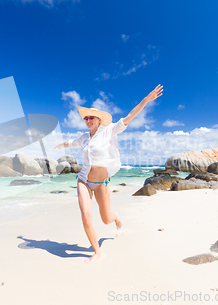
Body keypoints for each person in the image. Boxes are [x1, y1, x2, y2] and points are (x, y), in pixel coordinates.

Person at [55, 84, 163, 263]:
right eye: (86, 118)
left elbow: (129, 117)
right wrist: (61, 145)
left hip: (102, 183)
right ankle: (96, 251)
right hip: (83, 180)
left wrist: (146, 100)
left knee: (106, 219)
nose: (88, 120)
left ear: (99, 120)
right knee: (86, 215)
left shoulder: (109, 131)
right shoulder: (84, 137)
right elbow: (73, 142)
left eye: (91, 118)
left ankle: (116, 216)